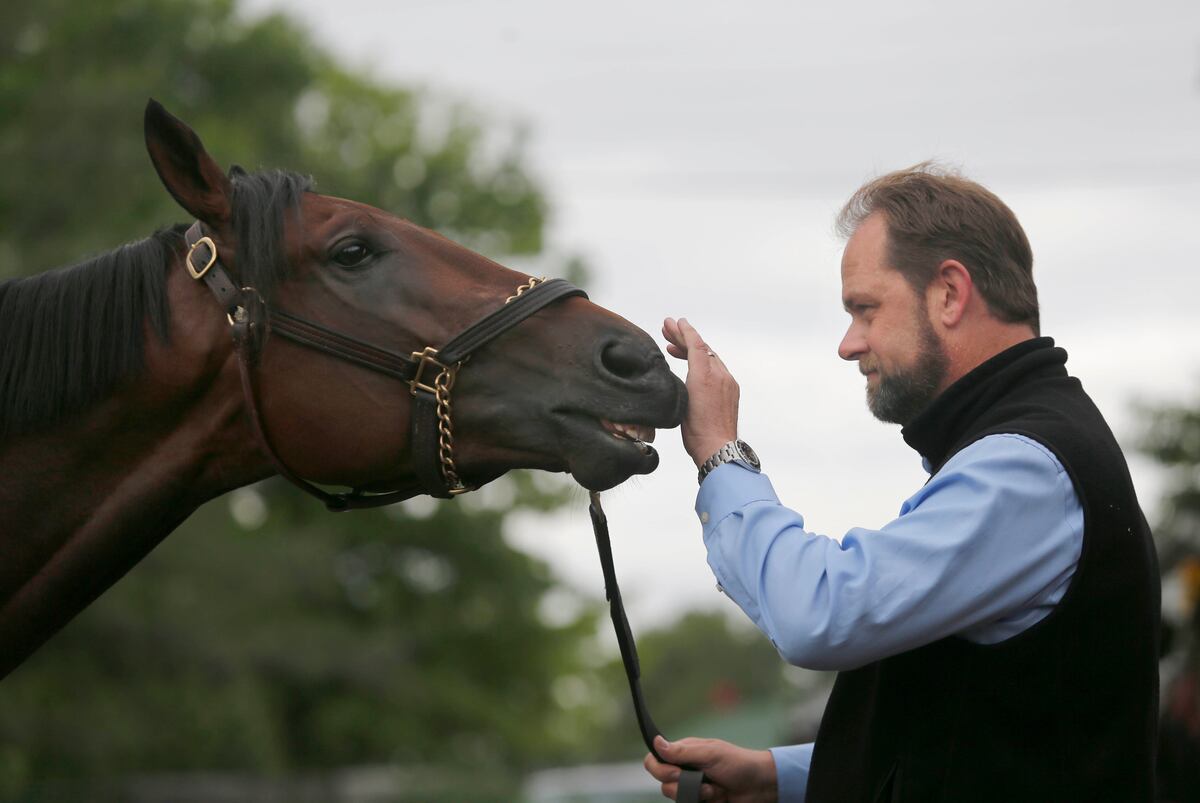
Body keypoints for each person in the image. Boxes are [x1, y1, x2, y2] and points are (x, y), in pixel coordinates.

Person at [644, 164, 1159, 802]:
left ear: (948, 292)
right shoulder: (1024, 447)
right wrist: (783, 776)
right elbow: (982, 731)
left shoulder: (1024, 466)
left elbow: (822, 615)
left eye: (865, 309)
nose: (848, 344)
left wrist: (721, 455)